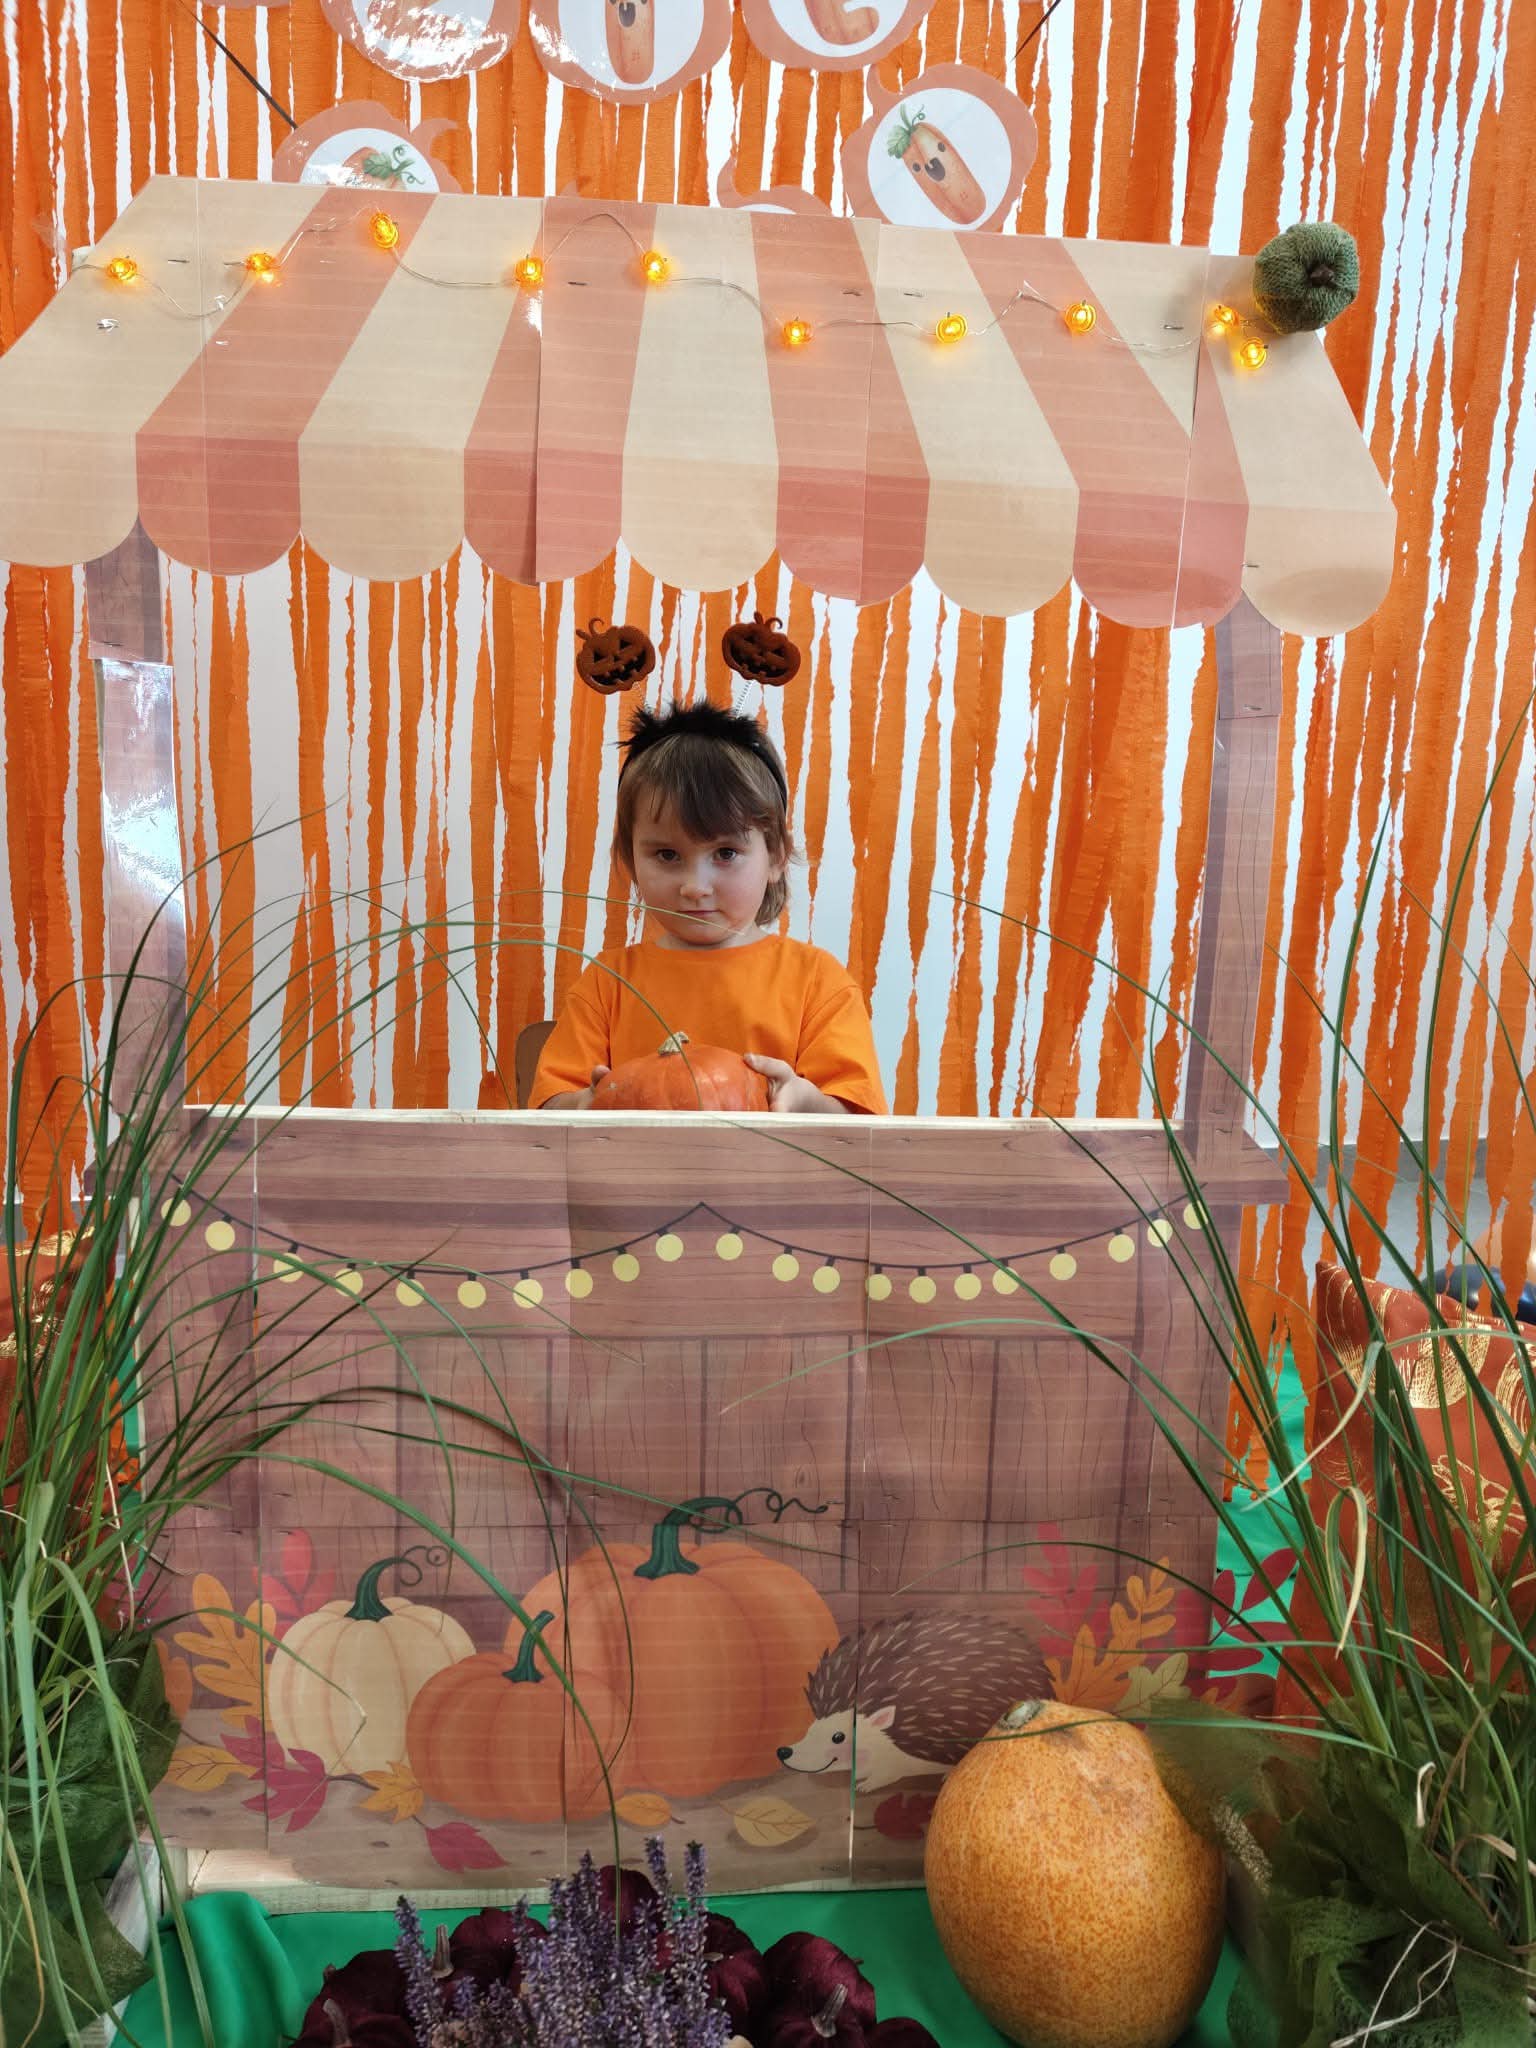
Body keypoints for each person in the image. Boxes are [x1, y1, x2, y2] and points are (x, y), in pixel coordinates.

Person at [531, 700, 887, 1115]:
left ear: (775, 855)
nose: (695, 887)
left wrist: (805, 1102)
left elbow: (860, 1125)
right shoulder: (606, 985)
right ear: (630, 859)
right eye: (667, 855)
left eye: (725, 853)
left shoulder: (817, 983)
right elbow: (548, 1109)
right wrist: (586, 1102)